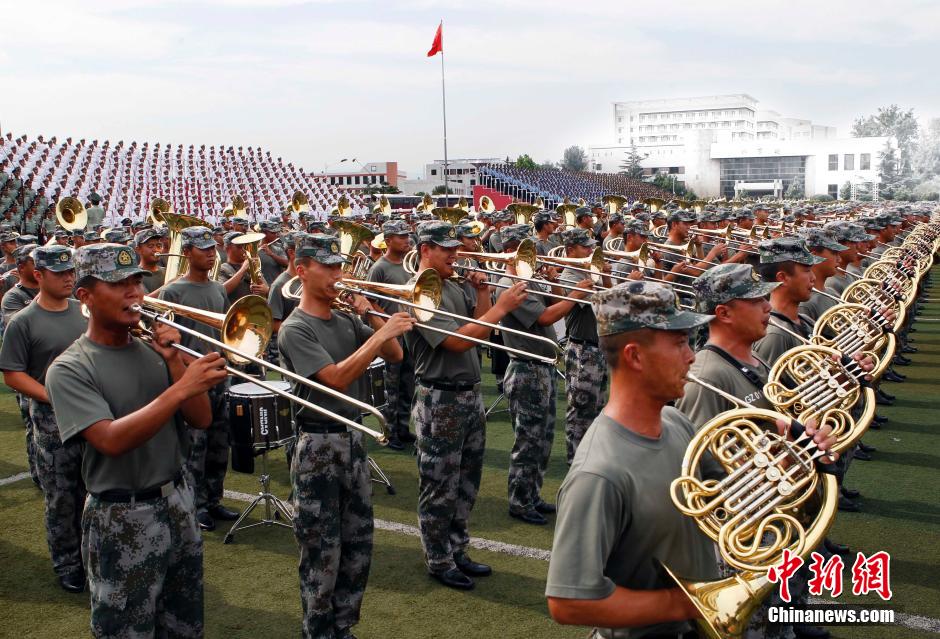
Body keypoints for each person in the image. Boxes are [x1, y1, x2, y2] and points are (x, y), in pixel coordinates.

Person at [545, 280, 838, 638]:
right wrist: (694, 603)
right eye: (679, 342)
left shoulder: (674, 421)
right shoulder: (600, 472)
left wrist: (798, 456)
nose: (692, 356)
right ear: (635, 356)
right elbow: (568, 602)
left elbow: (727, 495)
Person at [45, 242, 227, 638]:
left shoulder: (154, 349)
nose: (135, 294)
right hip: (119, 515)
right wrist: (180, 390)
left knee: (185, 626)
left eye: (137, 283)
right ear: (85, 296)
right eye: (119, 284)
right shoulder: (70, 367)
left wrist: (176, 362)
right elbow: (109, 440)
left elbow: (201, 419)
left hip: (178, 501)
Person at [278, 233, 414, 639]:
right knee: (322, 552)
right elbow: (334, 380)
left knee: (358, 545)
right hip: (318, 444)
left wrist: (371, 316)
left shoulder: (345, 319)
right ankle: (318, 631)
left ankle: (344, 626)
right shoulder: (295, 328)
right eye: (329, 267)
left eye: (340, 266)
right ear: (302, 271)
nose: (339, 274)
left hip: (353, 440)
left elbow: (396, 355)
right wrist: (377, 333)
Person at [405, 221, 527, 590]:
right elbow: (455, 343)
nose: (455, 254)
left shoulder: (454, 284)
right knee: (439, 484)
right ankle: (438, 557)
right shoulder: (421, 292)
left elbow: (480, 330)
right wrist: (502, 307)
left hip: (468, 393)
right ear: (425, 249)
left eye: (456, 248)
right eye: (446, 249)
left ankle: (457, 548)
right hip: (439, 396)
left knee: (466, 481)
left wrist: (487, 294)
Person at [0, 246, 87, 592]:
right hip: (52, 422)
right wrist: (52, 395)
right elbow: (13, 374)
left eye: (71, 272)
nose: (68, 278)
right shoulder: (23, 321)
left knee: (94, 489)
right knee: (62, 497)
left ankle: (91, 553)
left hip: (90, 415)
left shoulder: (85, 311)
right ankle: (67, 562)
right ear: (39, 275)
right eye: (60, 273)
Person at [496, 224, 592, 525]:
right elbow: (547, 316)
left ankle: (533, 494)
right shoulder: (511, 285)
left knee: (544, 438)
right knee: (528, 440)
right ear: (509, 251)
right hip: (526, 368)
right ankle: (520, 500)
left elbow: (553, 304)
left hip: (542, 366)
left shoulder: (528, 279)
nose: (533, 254)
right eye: (524, 250)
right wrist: (577, 293)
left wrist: (555, 285)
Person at [159, 227, 241, 531]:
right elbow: (165, 342)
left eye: (213, 248)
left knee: (220, 445)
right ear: (186, 253)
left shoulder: (218, 289)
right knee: (195, 447)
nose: (211, 253)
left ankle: (213, 499)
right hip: (192, 380)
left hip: (218, 374)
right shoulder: (173, 292)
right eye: (203, 248)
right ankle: (194, 505)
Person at [676, 263, 778, 427]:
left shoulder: (753, 356)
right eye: (755, 301)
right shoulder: (707, 379)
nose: (768, 306)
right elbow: (702, 450)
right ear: (724, 313)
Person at [366, 218, 417, 450]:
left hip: (409, 331)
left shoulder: (409, 264)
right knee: (392, 387)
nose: (407, 240)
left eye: (407, 236)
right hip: (392, 334)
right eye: (401, 237)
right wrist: (388, 321)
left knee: (408, 383)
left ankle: (403, 428)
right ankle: (390, 432)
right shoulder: (379, 268)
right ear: (388, 241)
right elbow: (369, 301)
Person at [557, 229, 607, 463]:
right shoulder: (569, 275)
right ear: (571, 251)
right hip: (582, 350)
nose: (591, 251)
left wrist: (604, 276)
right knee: (580, 406)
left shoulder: (591, 273)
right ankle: (576, 458)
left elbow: (610, 299)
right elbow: (598, 303)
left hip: (597, 348)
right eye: (585, 248)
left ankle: (593, 453)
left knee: (597, 406)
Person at [753, 237, 824, 365]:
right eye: (807, 270)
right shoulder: (774, 335)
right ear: (783, 278)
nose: (813, 277)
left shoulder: (805, 320)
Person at [133, 227, 167, 293]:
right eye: (150, 246)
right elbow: (145, 301)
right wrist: (169, 285)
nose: (156, 250)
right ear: (138, 250)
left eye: (159, 246)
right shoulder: (134, 275)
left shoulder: (166, 271)